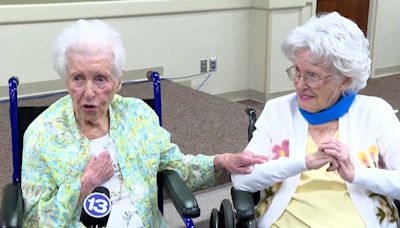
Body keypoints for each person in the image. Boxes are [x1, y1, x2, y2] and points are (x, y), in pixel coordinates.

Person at [21, 19, 267, 227]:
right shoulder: (42, 133)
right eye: (78, 78)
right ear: (65, 79)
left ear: (118, 81)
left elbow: (177, 166)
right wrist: (84, 185)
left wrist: (220, 161)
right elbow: (34, 220)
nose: (88, 92)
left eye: (100, 79)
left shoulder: (138, 116)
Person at [232, 11, 400, 227]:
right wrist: (305, 162)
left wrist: (356, 173)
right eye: (297, 72)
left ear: (345, 80)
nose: (300, 84)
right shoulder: (278, 110)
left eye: (313, 75)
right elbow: (242, 179)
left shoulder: (375, 112)